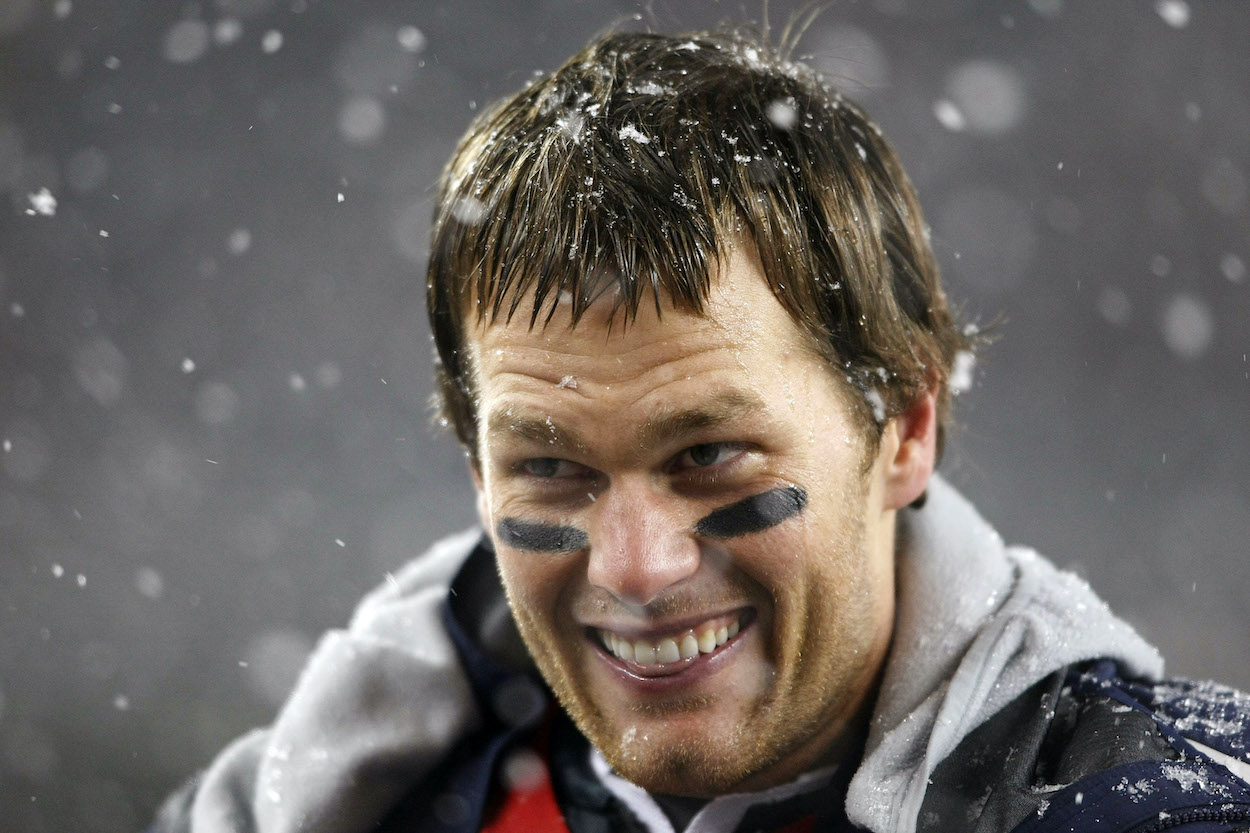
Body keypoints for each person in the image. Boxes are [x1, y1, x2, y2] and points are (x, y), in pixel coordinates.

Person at [149, 26, 1250, 833]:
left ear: (905, 427)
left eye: (707, 454)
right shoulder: (361, 789)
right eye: (549, 467)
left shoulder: (1167, 804)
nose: (634, 568)